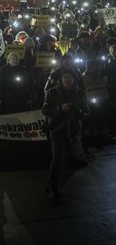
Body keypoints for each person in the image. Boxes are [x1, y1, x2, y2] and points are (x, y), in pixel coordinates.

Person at [42, 67, 90, 203]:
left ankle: (51, 182)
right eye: (65, 78)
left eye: (69, 78)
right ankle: (52, 187)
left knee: (64, 160)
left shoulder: (80, 93)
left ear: (74, 79)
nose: (67, 80)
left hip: (73, 131)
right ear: (61, 79)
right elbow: (45, 110)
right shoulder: (52, 92)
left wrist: (79, 111)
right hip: (57, 130)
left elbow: (87, 111)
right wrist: (59, 109)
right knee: (58, 159)